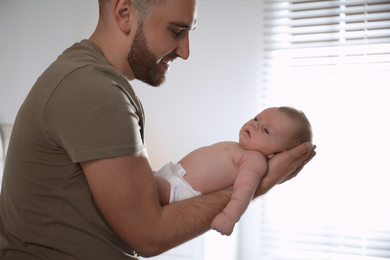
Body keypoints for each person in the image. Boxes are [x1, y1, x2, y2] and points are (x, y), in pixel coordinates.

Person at [0, 0, 316, 259]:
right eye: (177, 31)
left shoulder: (91, 78)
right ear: (124, 14)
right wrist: (261, 185)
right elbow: (149, 236)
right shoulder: (95, 90)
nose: (185, 51)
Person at [155, 106, 313, 235]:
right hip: (171, 178)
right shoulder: (241, 150)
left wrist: (229, 217)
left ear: (277, 154)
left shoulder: (254, 161)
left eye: (266, 131)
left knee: (137, 186)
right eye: (257, 118)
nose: (254, 124)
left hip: (178, 190)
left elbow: (244, 192)